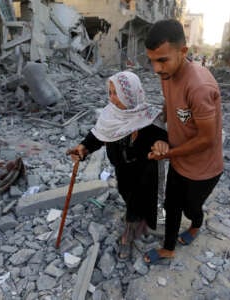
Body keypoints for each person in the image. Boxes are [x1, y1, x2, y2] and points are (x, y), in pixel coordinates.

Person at [143, 19, 223, 264]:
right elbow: (169, 101)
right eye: (152, 61)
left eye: (162, 60)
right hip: (179, 159)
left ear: (183, 52)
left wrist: (168, 154)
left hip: (204, 168)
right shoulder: (167, 73)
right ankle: (168, 248)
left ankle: (196, 225)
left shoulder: (199, 86)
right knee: (171, 204)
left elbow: (207, 139)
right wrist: (159, 127)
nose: (156, 68)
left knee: (191, 209)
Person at [68, 71, 167, 261]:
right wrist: (83, 148)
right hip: (122, 166)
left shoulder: (148, 117)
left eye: (116, 93)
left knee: (138, 199)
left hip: (145, 168)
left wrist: (163, 144)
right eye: (110, 92)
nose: (112, 98)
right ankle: (139, 219)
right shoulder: (109, 114)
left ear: (130, 95)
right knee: (126, 193)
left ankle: (128, 234)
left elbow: (163, 137)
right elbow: (98, 135)